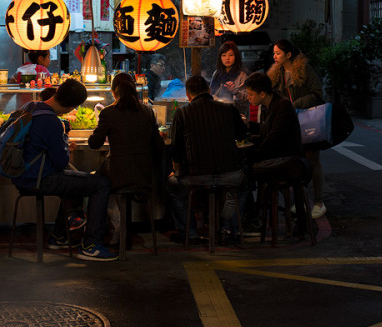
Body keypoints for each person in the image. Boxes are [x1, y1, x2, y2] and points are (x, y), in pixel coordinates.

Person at [12, 78, 117, 261]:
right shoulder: (51, 122)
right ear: (71, 107)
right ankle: (91, 245)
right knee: (100, 184)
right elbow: (60, 162)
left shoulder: (30, 107)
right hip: (40, 179)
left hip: (21, 175)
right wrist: (64, 140)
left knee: (76, 179)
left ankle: (60, 236)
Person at [166, 75, 248, 245]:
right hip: (230, 174)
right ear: (209, 90)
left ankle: (190, 232)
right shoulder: (229, 109)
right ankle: (228, 228)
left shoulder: (182, 113)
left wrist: (177, 170)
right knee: (241, 186)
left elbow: (176, 148)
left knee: (172, 186)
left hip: (196, 176)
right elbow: (242, 135)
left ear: (188, 95)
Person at [242, 72, 312, 235]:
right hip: (278, 157)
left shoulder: (282, 106)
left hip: (288, 161)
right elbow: (266, 132)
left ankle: (252, 217)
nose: (249, 98)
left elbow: (273, 139)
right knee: (244, 167)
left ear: (262, 93)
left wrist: (254, 154)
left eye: (251, 94)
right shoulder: (270, 105)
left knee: (244, 172)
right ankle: (254, 215)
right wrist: (247, 127)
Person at [268, 39, 327, 219]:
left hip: (308, 121)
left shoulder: (304, 70)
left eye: (278, 53)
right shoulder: (276, 74)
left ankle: (319, 202)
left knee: (313, 160)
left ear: (288, 54)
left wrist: (296, 104)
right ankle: (301, 200)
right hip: (290, 124)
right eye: (274, 54)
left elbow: (318, 93)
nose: (275, 56)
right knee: (296, 160)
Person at [88, 72, 164, 193]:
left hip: (117, 174)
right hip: (144, 174)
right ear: (134, 89)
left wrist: (99, 129)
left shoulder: (108, 113)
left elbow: (94, 143)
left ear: (113, 92)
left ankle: (98, 212)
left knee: (93, 181)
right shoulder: (147, 112)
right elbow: (158, 145)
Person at [209, 41, 248, 109]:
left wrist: (234, 91)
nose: (227, 58)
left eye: (231, 55)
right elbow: (211, 93)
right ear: (220, 57)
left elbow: (246, 98)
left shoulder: (242, 75)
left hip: (234, 110)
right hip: (216, 109)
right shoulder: (216, 73)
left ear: (236, 57)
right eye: (224, 55)